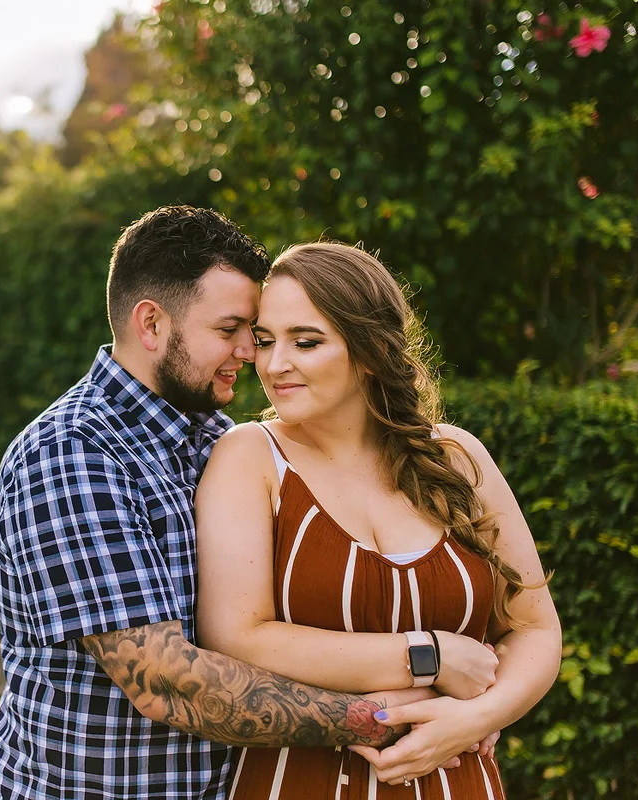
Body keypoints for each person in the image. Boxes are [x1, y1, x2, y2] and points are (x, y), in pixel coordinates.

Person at [0, 208, 446, 800]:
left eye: (250, 333)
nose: (250, 354)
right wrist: (385, 716)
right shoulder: (70, 454)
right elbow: (163, 680)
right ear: (151, 324)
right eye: (230, 330)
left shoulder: (221, 440)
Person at [194, 242, 562, 798]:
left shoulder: (456, 459)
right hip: (300, 782)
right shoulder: (249, 456)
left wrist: (476, 718)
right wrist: (428, 656)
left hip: (456, 779)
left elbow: (534, 626)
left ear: (368, 352)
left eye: (306, 341)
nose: (273, 364)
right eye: (266, 341)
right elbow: (236, 635)